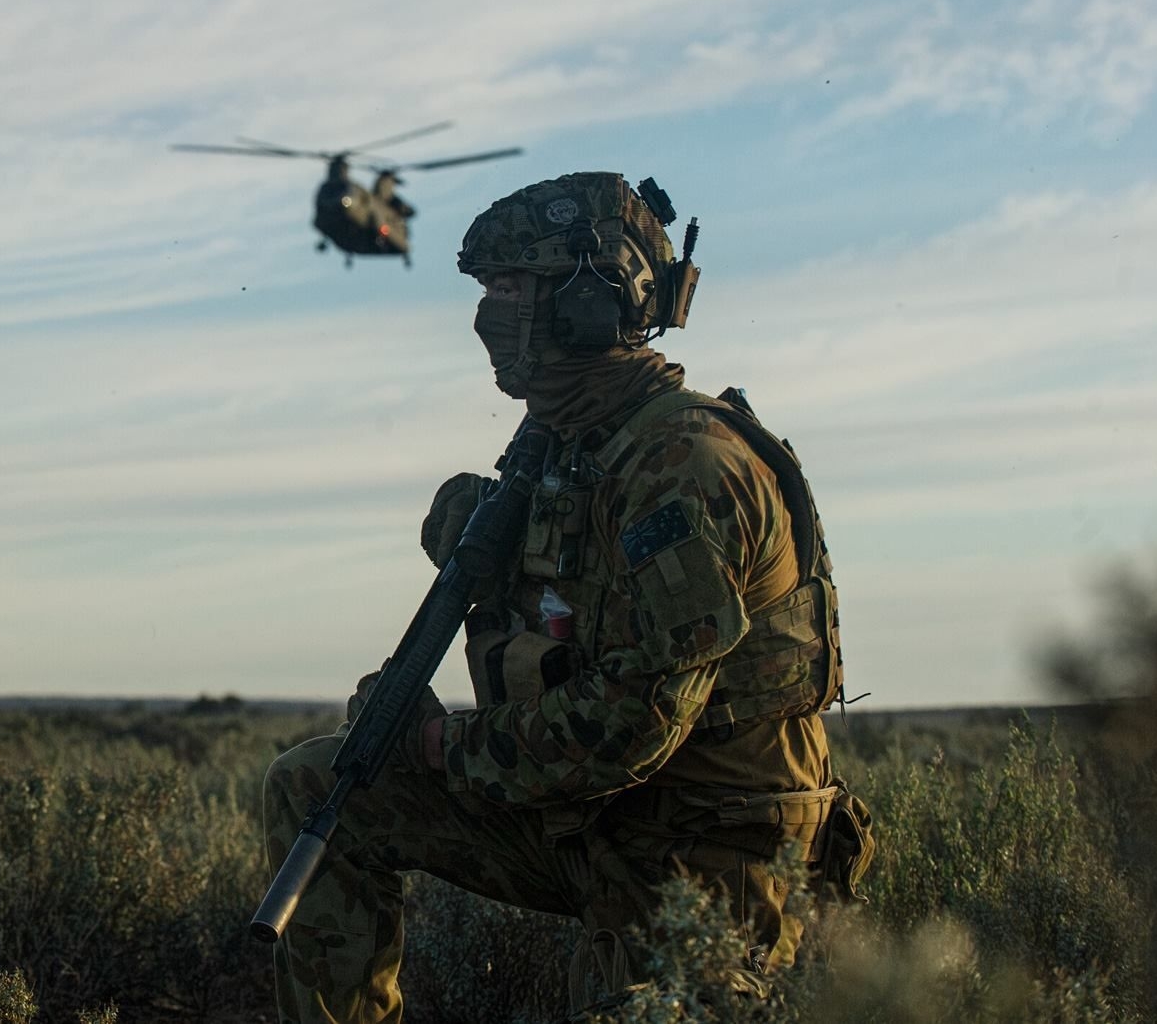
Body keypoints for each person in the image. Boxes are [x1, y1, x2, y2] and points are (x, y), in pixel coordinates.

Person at [263, 172, 873, 1019]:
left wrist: (440, 744)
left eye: (509, 287)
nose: (487, 315)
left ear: (589, 299)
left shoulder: (684, 467)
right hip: (599, 821)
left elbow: (632, 726)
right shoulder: (565, 448)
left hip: (710, 849)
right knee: (319, 784)